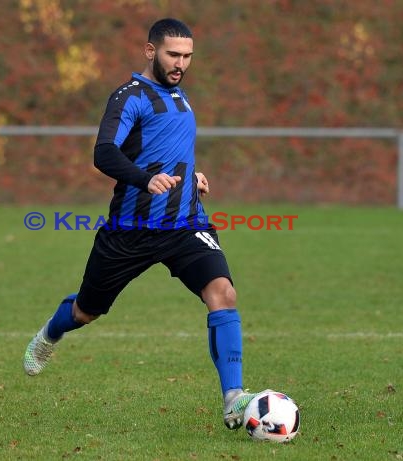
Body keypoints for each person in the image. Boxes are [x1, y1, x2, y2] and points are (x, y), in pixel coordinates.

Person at [23, 18, 255, 429]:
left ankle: (234, 398)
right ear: (151, 52)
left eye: (187, 56)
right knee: (86, 311)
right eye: (173, 55)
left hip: (184, 224)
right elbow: (105, 153)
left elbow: (171, 148)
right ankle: (49, 334)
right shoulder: (129, 96)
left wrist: (193, 174)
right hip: (129, 231)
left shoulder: (181, 98)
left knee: (223, 292)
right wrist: (145, 179)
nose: (181, 63)